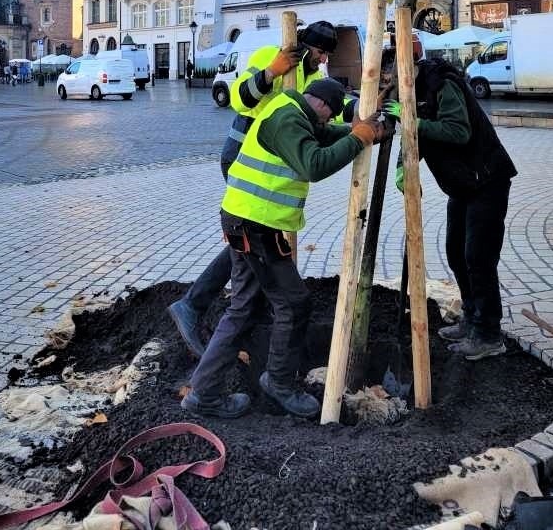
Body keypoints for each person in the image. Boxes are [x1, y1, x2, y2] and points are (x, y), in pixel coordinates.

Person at [180, 78, 385, 420]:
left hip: (244, 219)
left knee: (243, 307)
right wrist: (358, 138)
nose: (326, 121)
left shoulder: (291, 111)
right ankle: (278, 382)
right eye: (328, 115)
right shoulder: (289, 120)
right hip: (256, 226)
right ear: (320, 104)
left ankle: (204, 393)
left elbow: (323, 135)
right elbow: (314, 164)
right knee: (293, 303)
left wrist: (359, 131)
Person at [168, 21, 339, 356]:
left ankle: (201, 305)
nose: (322, 60)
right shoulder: (268, 55)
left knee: (248, 240)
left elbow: (325, 109)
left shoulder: (312, 78)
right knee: (249, 234)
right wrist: (271, 72)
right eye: (320, 52)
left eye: (326, 55)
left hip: (268, 163)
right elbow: (239, 99)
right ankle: (195, 304)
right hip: (244, 157)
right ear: (307, 46)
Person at [387, 58, 517, 361]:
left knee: (478, 257)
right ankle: (471, 318)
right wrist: (401, 167)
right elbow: (416, 136)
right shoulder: (411, 93)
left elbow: (458, 131)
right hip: (462, 185)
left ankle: (488, 334)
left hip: (486, 179)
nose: (388, 84)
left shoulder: (443, 85)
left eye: (389, 77)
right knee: (456, 252)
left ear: (406, 70)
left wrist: (413, 121)